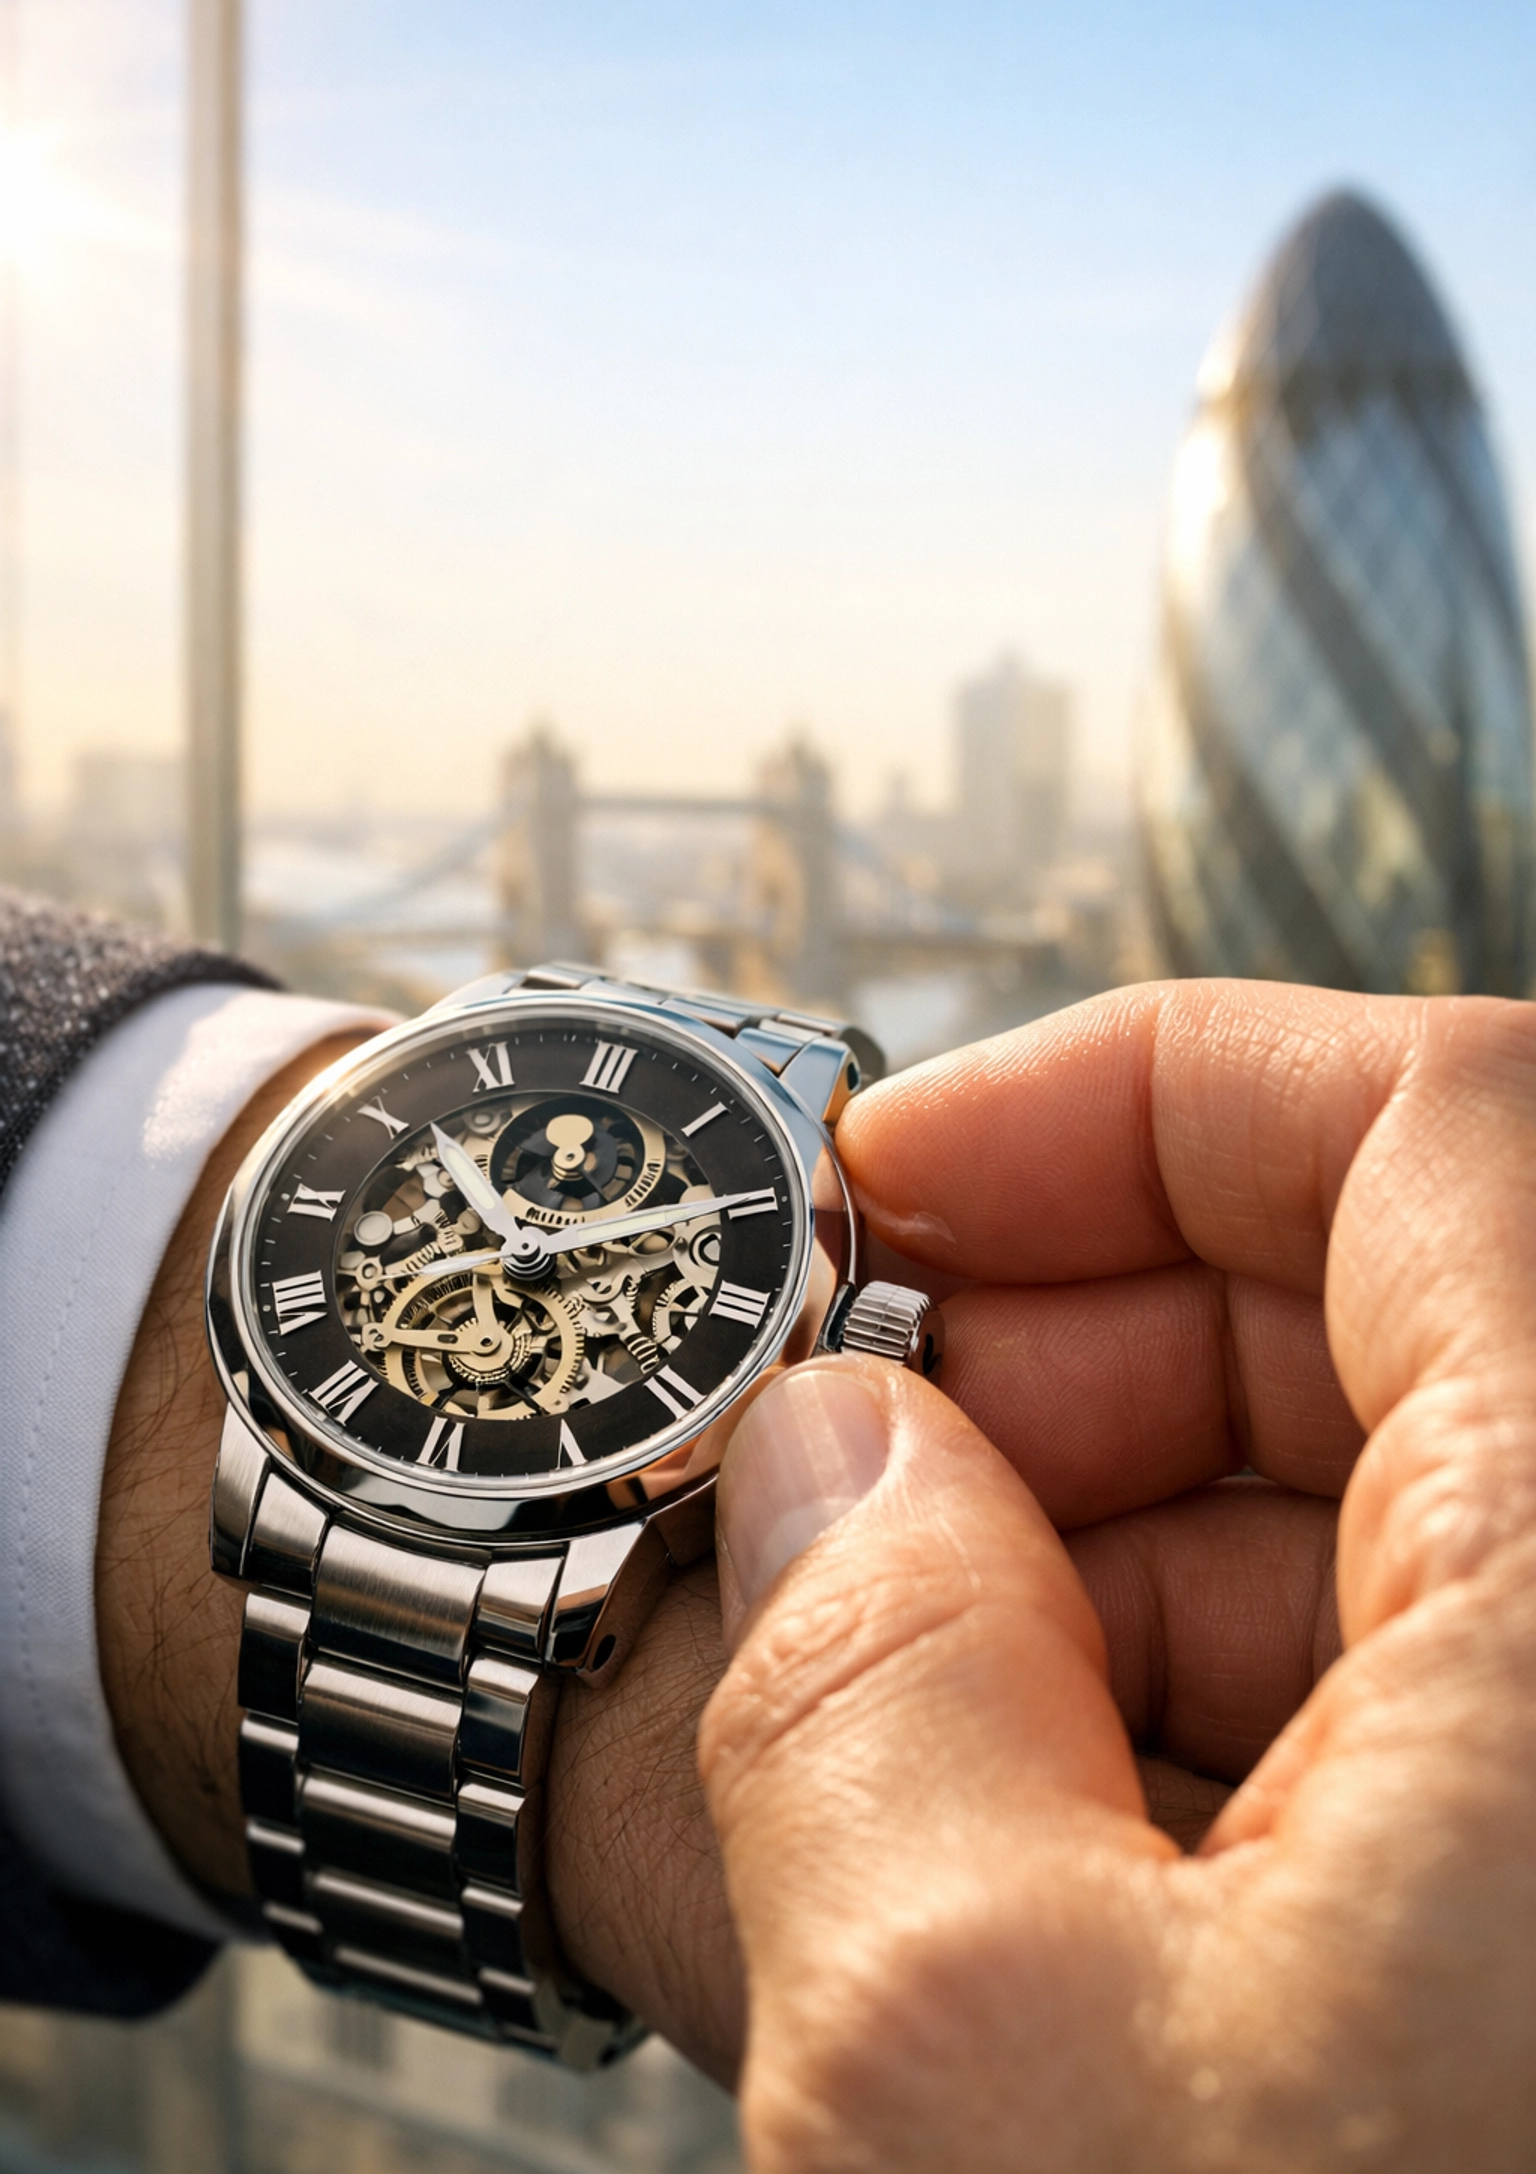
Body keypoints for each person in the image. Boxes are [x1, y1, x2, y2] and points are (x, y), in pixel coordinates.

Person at [4, 888, 1535, 2167]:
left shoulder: (658, 1508)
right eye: (500, 1201)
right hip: (346, 1452)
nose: (526, 1235)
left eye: (558, 1226)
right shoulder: (262, 1435)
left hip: (570, 1523)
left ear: (847, 1343)